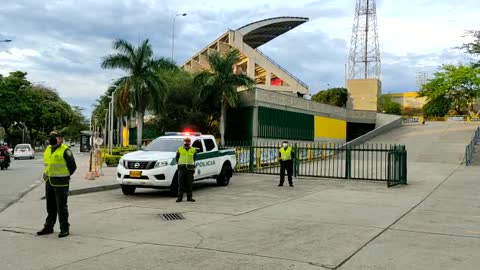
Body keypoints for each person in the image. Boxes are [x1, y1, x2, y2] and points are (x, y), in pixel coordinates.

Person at [37, 131, 77, 238]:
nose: (51, 139)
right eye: (50, 137)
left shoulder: (65, 150)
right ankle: (49, 226)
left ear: (60, 139)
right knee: (50, 206)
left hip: (61, 183)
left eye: (54, 137)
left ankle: (64, 228)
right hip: (49, 181)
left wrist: (65, 177)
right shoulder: (48, 148)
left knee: (61, 207)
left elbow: (72, 166)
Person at [175, 137, 197, 202]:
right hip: (181, 168)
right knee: (180, 183)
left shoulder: (193, 150)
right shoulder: (179, 149)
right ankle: (180, 197)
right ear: (184, 142)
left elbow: (194, 158)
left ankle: (189, 197)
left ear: (190, 142)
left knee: (189, 183)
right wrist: (181, 164)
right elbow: (177, 158)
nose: (187, 142)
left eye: (188, 141)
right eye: (186, 141)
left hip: (190, 169)